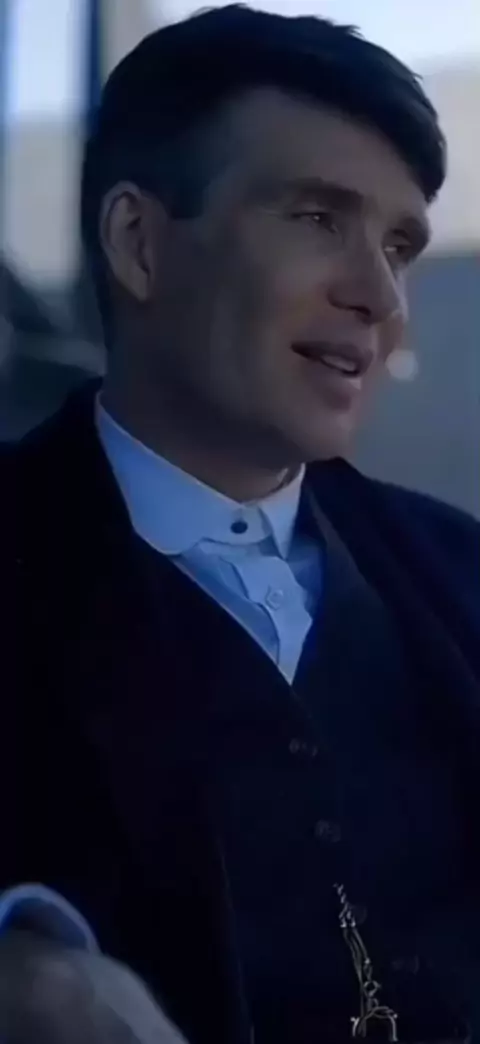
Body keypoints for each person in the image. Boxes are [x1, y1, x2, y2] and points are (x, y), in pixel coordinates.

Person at [2, 5, 480, 1043]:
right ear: (139, 244)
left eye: (398, 245)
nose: (379, 295)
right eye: (317, 218)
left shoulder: (462, 570)